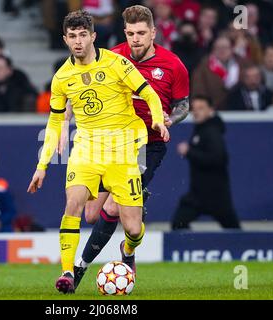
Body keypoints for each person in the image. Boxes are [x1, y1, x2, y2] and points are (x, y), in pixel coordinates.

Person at [27, 10, 168, 294]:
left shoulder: (117, 63)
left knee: (133, 228)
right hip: (87, 150)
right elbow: (55, 121)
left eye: (82, 35)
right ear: (65, 39)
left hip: (124, 150)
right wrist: (42, 165)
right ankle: (67, 272)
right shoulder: (62, 77)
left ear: (93, 36)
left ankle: (127, 249)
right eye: (72, 37)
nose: (78, 42)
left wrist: (154, 116)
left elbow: (149, 93)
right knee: (74, 204)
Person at [70, 4, 189, 290]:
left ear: (153, 33)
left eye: (141, 33)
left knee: (115, 207)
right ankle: (132, 229)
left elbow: (183, 104)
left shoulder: (173, 65)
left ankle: (78, 271)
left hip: (148, 143)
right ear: (125, 32)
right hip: (111, 141)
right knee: (91, 214)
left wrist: (170, 119)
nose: (136, 38)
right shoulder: (112, 58)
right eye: (131, 33)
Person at [171, 95, 240, 230]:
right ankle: (191, 249)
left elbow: (218, 158)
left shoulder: (211, 131)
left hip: (215, 195)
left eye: (201, 108)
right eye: (194, 109)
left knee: (233, 230)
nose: (196, 112)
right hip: (198, 194)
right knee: (179, 223)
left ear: (211, 110)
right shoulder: (201, 128)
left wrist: (189, 152)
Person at [192, 35, 248, 109]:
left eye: (225, 47)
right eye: (218, 48)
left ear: (232, 49)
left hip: (240, 110)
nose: (222, 51)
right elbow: (198, 90)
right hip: (213, 109)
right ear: (213, 50)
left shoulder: (242, 64)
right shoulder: (203, 67)